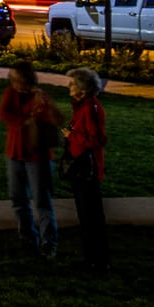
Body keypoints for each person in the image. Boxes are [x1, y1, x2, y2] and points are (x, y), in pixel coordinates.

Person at [0, 63, 61, 258]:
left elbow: (50, 119)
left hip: (37, 157)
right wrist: (23, 122)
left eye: (18, 80)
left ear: (27, 79)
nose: (15, 83)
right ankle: (27, 238)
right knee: (18, 199)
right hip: (15, 154)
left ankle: (48, 242)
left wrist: (34, 115)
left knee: (42, 201)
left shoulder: (40, 96)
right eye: (12, 80)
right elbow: (4, 113)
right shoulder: (11, 94)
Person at [63, 66, 109, 272]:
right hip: (81, 167)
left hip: (86, 169)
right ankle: (92, 258)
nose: (69, 86)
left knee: (91, 216)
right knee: (87, 216)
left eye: (73, 83)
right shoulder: (82, 107)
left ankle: (96, 260)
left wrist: (72, 136)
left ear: (83, 88)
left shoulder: (90, 108)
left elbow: (97, 139)